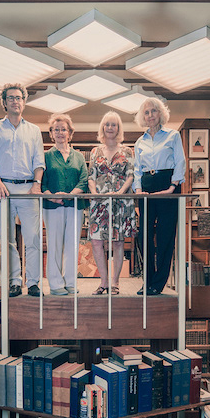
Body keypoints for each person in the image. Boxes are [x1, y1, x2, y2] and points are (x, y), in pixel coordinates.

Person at [0, 84, 45, 298]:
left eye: (19, 98)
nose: (15, 101)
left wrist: (37, 184)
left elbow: (39, 160)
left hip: (29, 188)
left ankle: (34, 283)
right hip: (3, 188)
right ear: (4, 102)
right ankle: (15, 281)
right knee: (7, 239)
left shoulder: (34, 130)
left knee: (33, 238)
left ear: (24, 102)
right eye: (11, 98)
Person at [133, 98, 185, 296]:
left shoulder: (173, 135)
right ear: (143, 117)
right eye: (146, 112)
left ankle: (159, 283)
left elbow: (180, 161)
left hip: (167, 186)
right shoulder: (140, 142)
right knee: (144, 236)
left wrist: (173, 186)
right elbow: (137, 169)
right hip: (146, 187)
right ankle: (148, 281)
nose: (150, 115)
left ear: (160, 113)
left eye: (153, 111)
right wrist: (138, 190)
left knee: (165, 237)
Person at [87, 111, 135, 295]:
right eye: (107, 124)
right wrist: (94, 193)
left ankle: (115, 283)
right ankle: (104, 282)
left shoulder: (127, 151)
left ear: (118, 128)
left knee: (118, 242)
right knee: (97, 242)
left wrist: (120, 192)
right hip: (99, 203)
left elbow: (130, 176)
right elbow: (91, 176)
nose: (110, 128)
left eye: (113, 124)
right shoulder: (95, 151)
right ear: (102, 127)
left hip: (120, 202)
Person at [41, 113, 88, 296]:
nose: (60, 133)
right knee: (54, 244)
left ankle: (70, 282)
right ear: (51, 134)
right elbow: (42, 183)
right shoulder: (45, 156)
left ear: (70, 133)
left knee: (72, 245)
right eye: (56, 129)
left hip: (75, 205)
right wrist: (52, 197)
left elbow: (83, 181)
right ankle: (55, 284)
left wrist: (69, 195)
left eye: (64, 129)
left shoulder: (78, 157)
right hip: (52, 207)